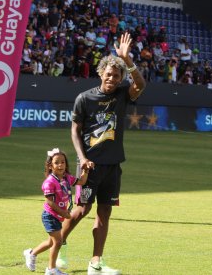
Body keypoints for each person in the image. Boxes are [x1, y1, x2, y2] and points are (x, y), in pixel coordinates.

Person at [57, 31, 146, 275]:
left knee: (105, 211)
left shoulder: (122, 94)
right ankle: (58, 245)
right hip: (89, 165)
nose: (112, 79)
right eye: (109, 74)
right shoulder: (84, 99)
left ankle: (96, 262)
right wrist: (82, 158)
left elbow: (141, 84)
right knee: (82, 209)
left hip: (113, 165)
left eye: (116, 76)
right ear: (101, 74)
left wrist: (127, 60)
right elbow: (75, 130)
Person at [23, 148, 89, 275]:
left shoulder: (66, 178)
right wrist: (64, 213)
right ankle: (51, 269)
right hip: (50, 216)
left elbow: (81, 181)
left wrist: (85, 170)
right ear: (50, 166)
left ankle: (31, 253)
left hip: (58, 216)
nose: (60, 165)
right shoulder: (49, 182)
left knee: (51, 242)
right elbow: (50, 202)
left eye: (63, 162)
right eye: (57, 162)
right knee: (58, 242)